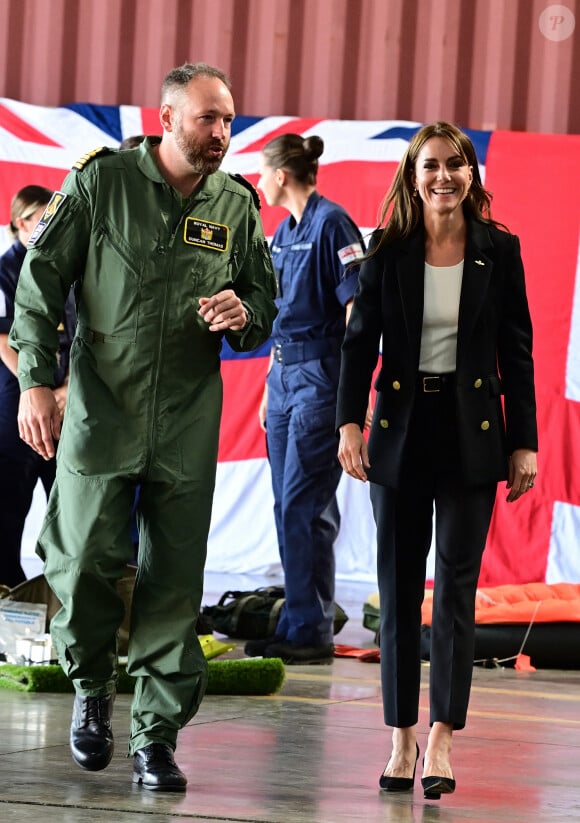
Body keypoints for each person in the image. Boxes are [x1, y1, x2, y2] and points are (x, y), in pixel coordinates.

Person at [9, 62, 277, 791]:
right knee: (83, 556)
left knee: (173, 581)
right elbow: (38, 284)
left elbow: (263, 302)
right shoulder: (101, 184)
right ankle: (93, 682)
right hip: (101, 412)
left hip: (188, 418)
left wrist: (244, 313)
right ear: (166, 119)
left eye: (227, 119)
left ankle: (154, 736)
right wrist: (36, 379)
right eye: (207, 118)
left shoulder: (236, 204)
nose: (221, 132)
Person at [335, 121, 537, 799]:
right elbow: (357, 347)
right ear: (412, 175)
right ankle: (402, 737)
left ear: (471, 173)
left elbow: (518, 352)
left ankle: (444, 735)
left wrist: (524, 440)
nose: (443, 177)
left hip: (472, 434)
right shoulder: (385, 251)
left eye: (455, 165)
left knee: (453, 591)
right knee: (397, 592)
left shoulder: (499, 250)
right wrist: (347, 425)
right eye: (431, 166)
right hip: (398, 433)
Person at [244, 133, 365, 665]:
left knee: (304, 504)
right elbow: (275, 316)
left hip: (321, 376)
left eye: (261, 173)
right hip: (284, 376)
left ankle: (310, 629)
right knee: (287, 504)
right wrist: (270, 385)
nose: (258, 182)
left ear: (281, 176)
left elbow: (356, 311)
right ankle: (298, 621)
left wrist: (351, 398)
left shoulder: (332, 222)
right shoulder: (282, 232)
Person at [0, 185, 76, 588]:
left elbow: (84, 336)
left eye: (55, 218)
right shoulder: (5, 269)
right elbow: (1, 338)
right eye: (41, 218)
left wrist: (65, 391)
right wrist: (38, 389)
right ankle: (7, 590)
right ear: (20, 223)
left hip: (67, 401)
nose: (50, 227)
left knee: (66, 506)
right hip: (18, 401)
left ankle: (62, 591)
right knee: (9, 505)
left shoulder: (66, 268)